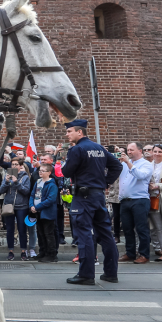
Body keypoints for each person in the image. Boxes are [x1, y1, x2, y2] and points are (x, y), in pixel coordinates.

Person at [61, 119, 123, 285]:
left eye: (69, 131)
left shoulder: (77, 149)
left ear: (79, 132)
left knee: (84, 234)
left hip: (83, 197)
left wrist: (66, 162)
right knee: (105, 234)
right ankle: (111, 273)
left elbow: (66, 172)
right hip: (98, 196)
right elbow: (117, 166)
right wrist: (104, 182)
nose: (67, 134)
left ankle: (86, 274)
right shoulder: (98, 148)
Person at [117, 142, 153, 263]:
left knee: (141, 228)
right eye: (128, 150)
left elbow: (140, 175)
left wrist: (128, 162)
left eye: (132, 150)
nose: (129, 152)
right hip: (125, 200)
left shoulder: (146, 164)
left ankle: (144, 254)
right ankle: (130, 253)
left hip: (139, 200)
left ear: (140, 151)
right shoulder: (123, 164)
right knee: (127, 229)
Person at [0, 158, 31, 260]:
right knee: (10, 229)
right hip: (9, 206)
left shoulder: (25, 177)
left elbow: (26, 191)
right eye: (13, 164)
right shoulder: (7, 176)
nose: (14, 166)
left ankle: (23, 251)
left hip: (22, 207)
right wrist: (7, 182)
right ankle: (11, 251)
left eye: (16, 164)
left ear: (21, 166)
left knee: (22, 229)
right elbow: (1, 190)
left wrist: (16, 183)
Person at [29, 163, 60, 262]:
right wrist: (31, 206)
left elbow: (50, 200)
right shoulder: (38, 182)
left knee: (49, 233)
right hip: (38, 212)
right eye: (39, 170)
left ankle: (51, 254)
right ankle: (42, 252)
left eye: (43, 171)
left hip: (47, 212)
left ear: (49, 173)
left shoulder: (52, 184)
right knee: (40, 233)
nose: (40, 172)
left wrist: (37, 207)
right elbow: (32, 195)